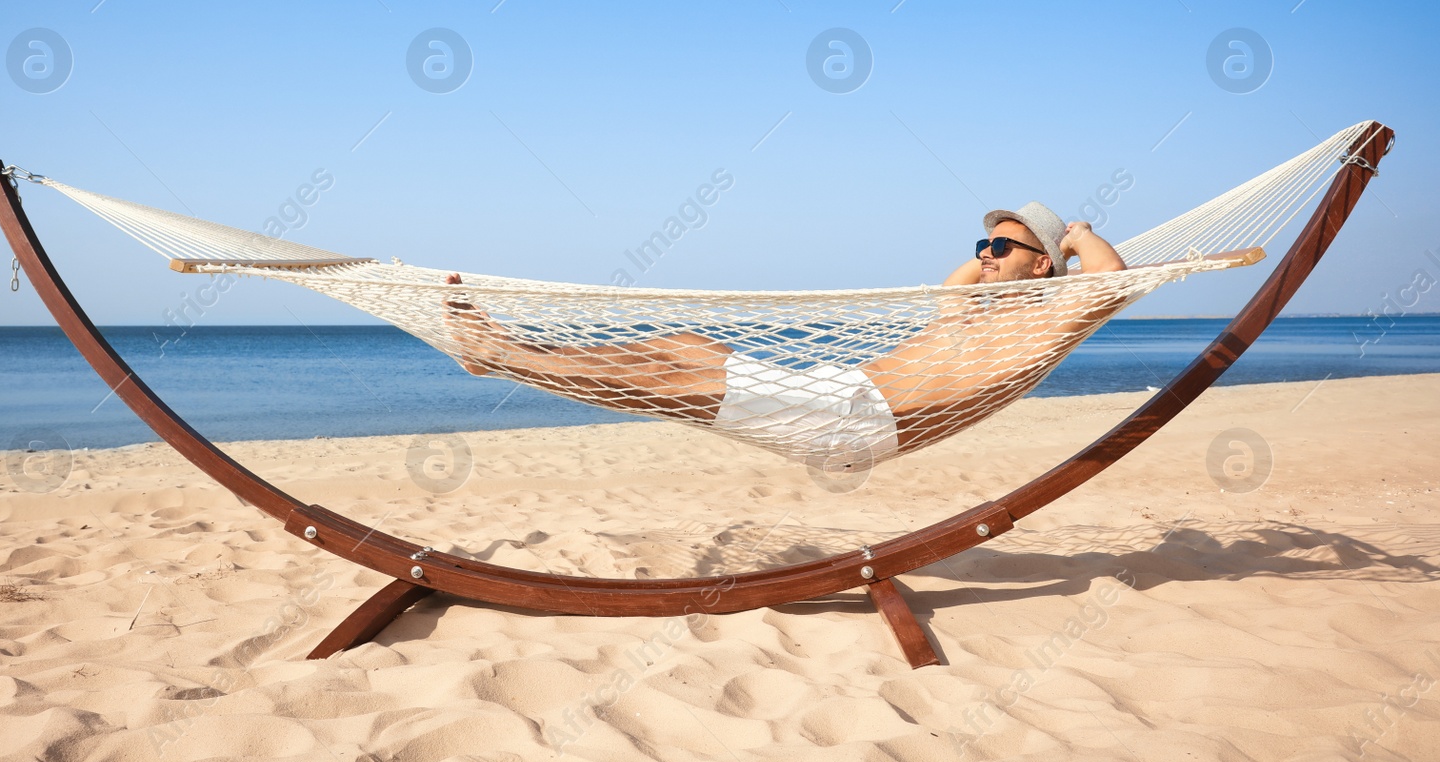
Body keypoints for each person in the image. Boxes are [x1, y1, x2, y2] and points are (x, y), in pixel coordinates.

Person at [443, 203, 1128, 465]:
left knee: (675, 375)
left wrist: (1078, 238)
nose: (984, 254)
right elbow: (955, 285)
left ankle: (498, 354)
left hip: (855, 422)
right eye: (982, 241)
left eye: (1001, 247)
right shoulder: (978, 316)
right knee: (682, 348)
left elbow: (1112, 280)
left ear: (1040, 264)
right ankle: (511, 354)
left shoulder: (1044, 318)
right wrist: (995, 255)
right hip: (838, 395)